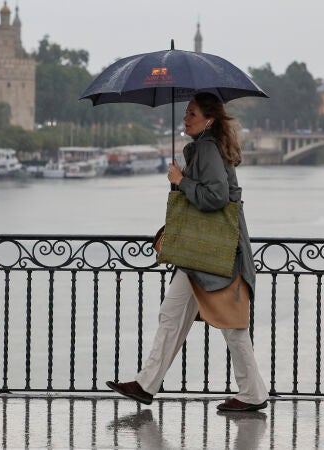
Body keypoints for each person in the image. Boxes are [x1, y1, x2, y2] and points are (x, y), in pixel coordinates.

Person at [106, 92, 269, 412]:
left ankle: (252, 393)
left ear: (208, 119)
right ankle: (146, 384)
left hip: (215, 254)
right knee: (173, 316)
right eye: (185, 113)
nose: (185, 119)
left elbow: (217, 198)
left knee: (232, 326)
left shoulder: (207, 148)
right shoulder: (206, 147)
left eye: (191, 114)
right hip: (203, 255)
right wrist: (183, 180)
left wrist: (181, 181)